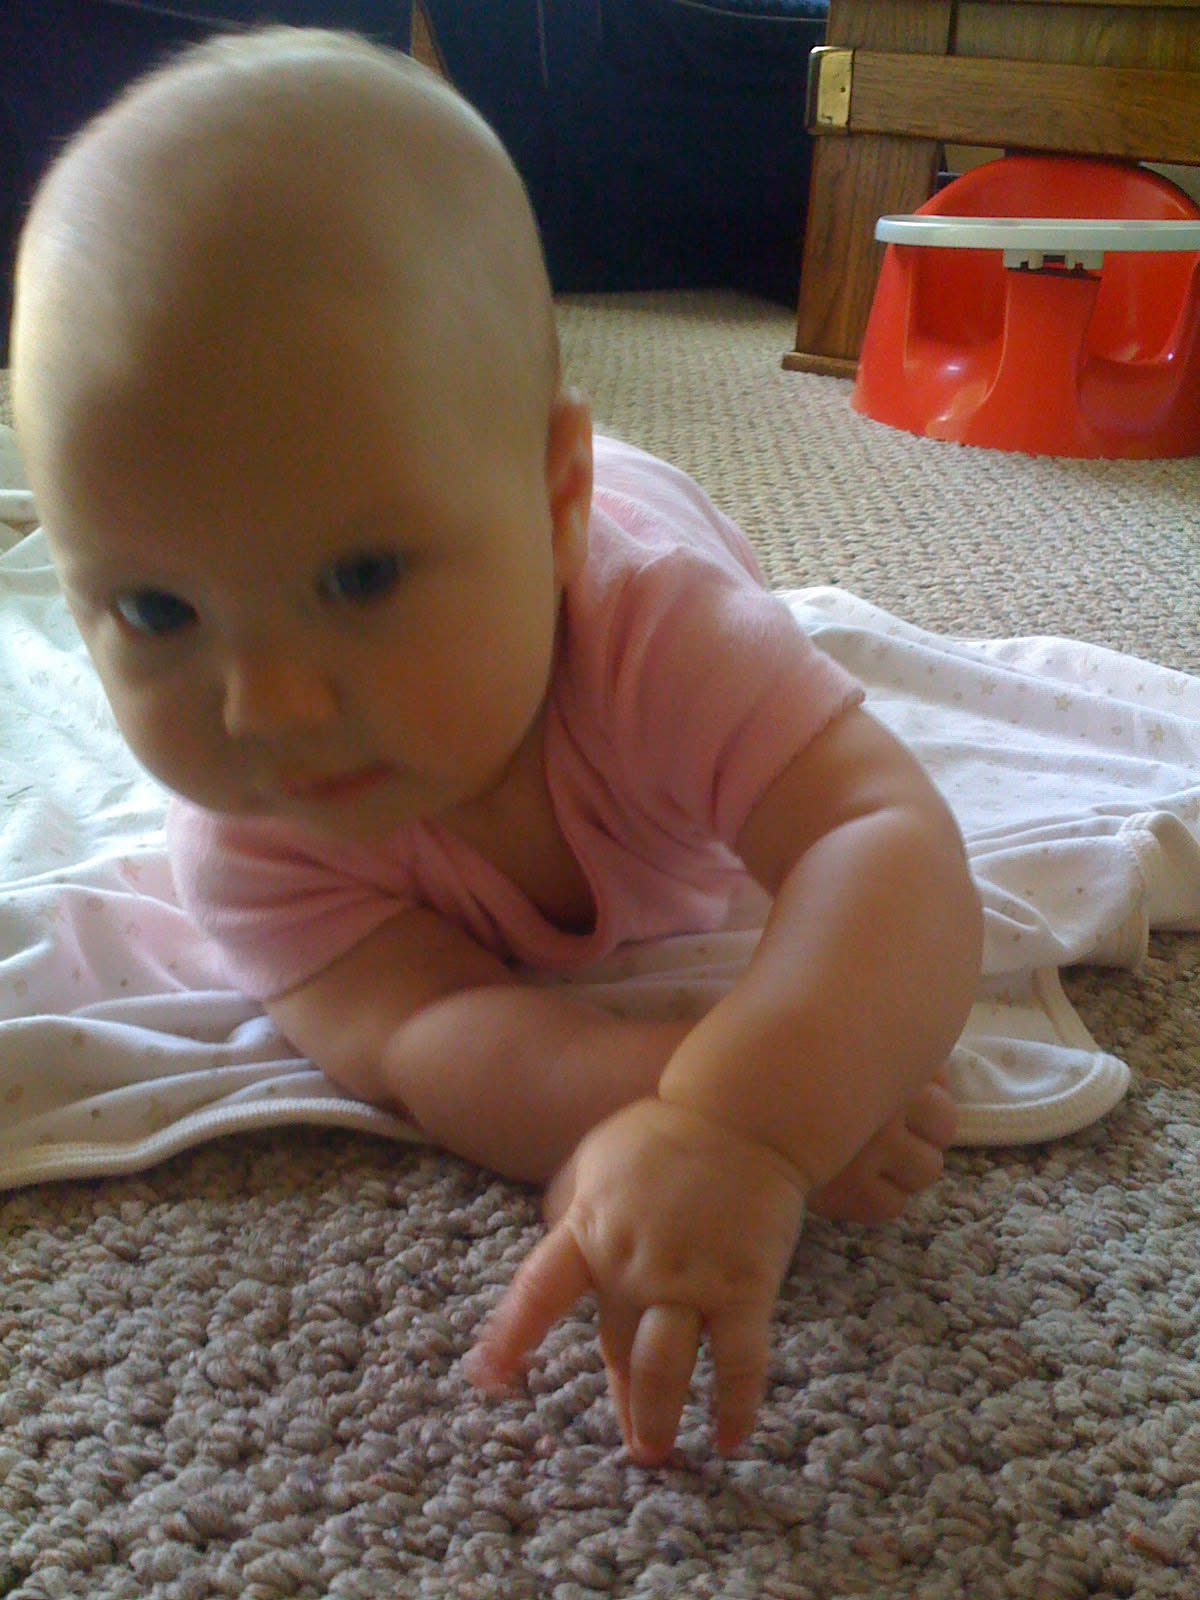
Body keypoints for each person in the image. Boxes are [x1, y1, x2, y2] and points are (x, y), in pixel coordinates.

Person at [10, 27, 982, 1466]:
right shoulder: (248, 835)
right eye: (158, 609)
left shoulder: (657, 640)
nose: (265, 707)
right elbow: (431, 1037)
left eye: (360, 578)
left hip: (641, 520)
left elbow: (881, 832)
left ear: (553, 502)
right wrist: (679, 1106)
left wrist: (758, 1116)